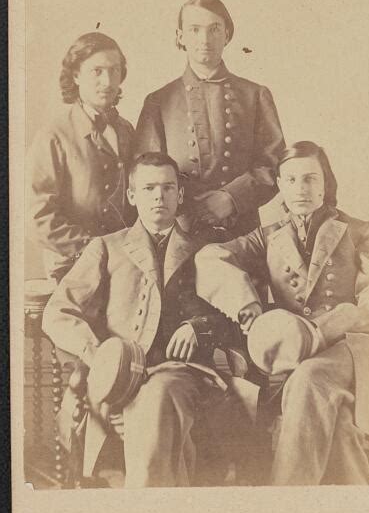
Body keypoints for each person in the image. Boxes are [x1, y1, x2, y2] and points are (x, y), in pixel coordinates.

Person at [42, 152, 249, 488]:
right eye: (149, 188)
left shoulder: (206, 247)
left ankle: (145, 507)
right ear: (132, 195)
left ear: (180, 195)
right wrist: (101, 357)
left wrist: (199, 327)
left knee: (159, 395)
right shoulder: (106, 248)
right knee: (147, 403)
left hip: (183, 372)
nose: (159, 196)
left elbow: (238, 315)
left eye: (168, 188)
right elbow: (58, 312)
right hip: (121, 375)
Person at [195, 141, 369, 485]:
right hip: (292, 353)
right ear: (279, 185)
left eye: (310, 179)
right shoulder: (268, 237)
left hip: (351, 348)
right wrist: (249, 310)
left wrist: (330, 325)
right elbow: (209, 258)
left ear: (326, 183)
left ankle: (286, 502)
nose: (301, 189)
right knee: (336, 425)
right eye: (291, 180)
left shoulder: (360, 232)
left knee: (308, 378)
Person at [135, 0, 285, 237]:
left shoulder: (255, 95)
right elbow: (146, 172)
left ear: (227, 35)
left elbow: (274, 164)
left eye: (214, 29)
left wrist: (231, 198)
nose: (204, 39)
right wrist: (194, 203)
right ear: (180, 37)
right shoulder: (158, 101)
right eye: (194, 30)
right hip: (180, 230)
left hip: (242, 230)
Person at [27, 32, 136, 282]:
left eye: (114, 70)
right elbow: (38, 217)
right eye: (96, 71)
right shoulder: (54, 135)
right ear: (76, 75)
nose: (108, 82)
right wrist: (92, 249)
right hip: (71, 266)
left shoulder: (125, 130)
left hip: (122, 264)